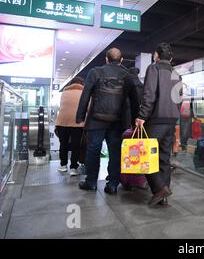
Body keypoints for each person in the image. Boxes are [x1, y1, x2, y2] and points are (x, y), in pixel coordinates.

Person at [76, 48, 138, 194]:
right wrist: (135, 120)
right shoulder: (127, 75)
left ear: (106, 59)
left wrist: (80, 116)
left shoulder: (95, 72)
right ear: (121, 60)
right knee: (115, 152)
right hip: (117, 121)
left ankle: (91, 182)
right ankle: (112, 185)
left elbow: (85, 95)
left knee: (93, 150)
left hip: (96, 120)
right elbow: (134, 100)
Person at [135, 43, 181, 206]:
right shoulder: (176, 73)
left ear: (156, 55)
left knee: (145, 156)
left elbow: (149, 94)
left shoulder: (153, 69)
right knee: (163, 158)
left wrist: (142, 116)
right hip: (171, 120)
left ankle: (160, 189)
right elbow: (179, 100)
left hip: (156, 120)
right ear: (171, 58)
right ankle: (163, 194)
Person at [55, 77, 85, 176]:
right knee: (76, 145)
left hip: (62, 122)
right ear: (81, 83)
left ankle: (63, 165)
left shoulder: (64, 93)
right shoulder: (84, 92)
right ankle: (73, 168)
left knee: (63, 144)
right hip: (78, 123)